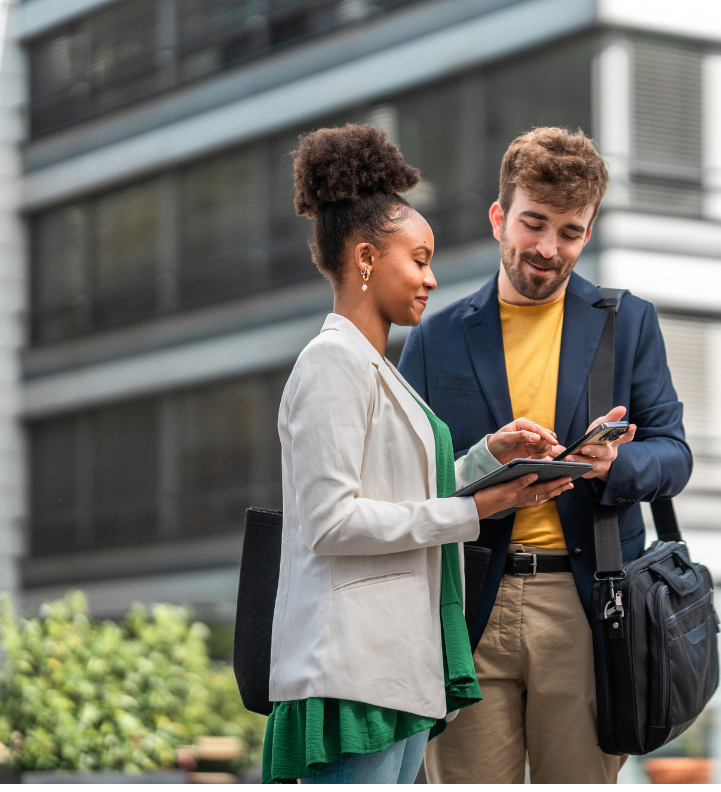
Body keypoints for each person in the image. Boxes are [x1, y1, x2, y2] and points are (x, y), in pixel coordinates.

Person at [261, 124, 575, 784]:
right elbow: (332, 522)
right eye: (420, 258)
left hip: (396, 667)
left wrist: (489, 461)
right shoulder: (332, 365)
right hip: (353, 670)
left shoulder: (376, 368)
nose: (432, 279)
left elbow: (402, 497)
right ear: (368, 257)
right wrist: (476, 511)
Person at [399, 127, 693, 783]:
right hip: (466, 606)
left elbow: (675, 456)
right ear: (500, 217)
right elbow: (404, 486)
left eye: (570, 231)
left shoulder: (628, 322)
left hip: (587, 609)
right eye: (534, 224)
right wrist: (480, 463)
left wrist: (614, 465)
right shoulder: (435, 336)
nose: (549, 248)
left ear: (587, 233)